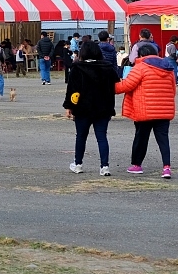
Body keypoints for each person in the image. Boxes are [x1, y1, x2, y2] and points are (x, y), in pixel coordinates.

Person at [114, 43, 175, 179]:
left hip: (145, 111)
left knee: (141, 138)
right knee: (163, 140)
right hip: (164, 111)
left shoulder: (140, 67)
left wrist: (109, 88)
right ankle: (166, 168)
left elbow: (127, 85)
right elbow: (173, 89)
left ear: (141, 55)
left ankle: (137, 165)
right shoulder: (168, 68)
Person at [63, 41, 119, 176]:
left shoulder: (77, 67)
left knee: (81, 136)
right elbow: (116, 84)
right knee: (102, 137)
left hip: (82, 108)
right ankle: (104, 166)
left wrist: (69, 106)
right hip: (103, 107)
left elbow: (72, 90)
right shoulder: (107, 67)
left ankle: (78, 164)